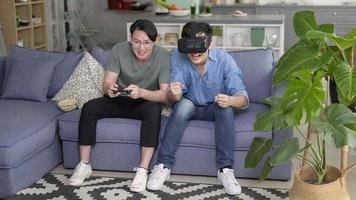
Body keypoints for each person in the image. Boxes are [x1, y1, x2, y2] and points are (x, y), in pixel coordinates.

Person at [68, 19, 170, 193]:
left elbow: (165, 95)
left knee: (154, 110)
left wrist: (142, 93)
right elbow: (107, 82)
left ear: (155, 41)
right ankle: (84, 164)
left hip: (145, 101)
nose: (141, 48)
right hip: (120, 98)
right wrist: (110, 90)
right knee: (89, 107)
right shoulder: (119, 49)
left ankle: (143, 170)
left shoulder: (163, 56)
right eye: (136, 42)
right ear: (130, 38)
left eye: (147, 43)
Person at [146, 21, 249, 195]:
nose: (194, 51)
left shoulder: (224, 60)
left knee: (226, 110)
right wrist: (174, 93)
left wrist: (230, 100)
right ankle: (163, 165)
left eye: (199, 43)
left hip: (216, 106)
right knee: (183, 106)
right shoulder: (176, 57)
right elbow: (174, 98)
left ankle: (225, 170)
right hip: (189, 103)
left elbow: (244, 99)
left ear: (210, 43)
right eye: (189, 44)